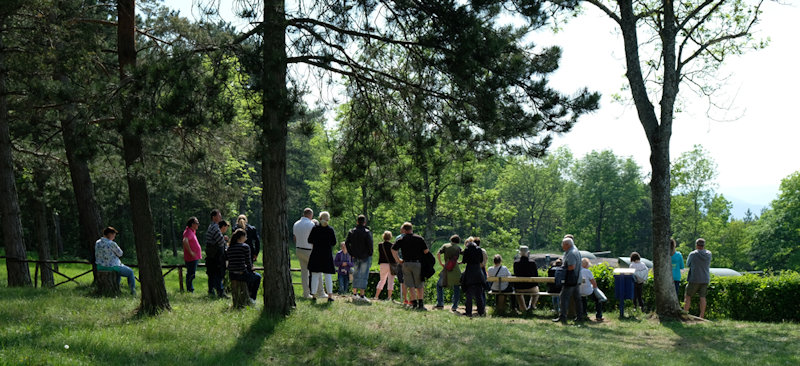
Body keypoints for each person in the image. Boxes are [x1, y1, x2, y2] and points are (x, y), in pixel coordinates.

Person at [391, 222, 430, 310]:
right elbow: (426, 251)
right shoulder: (419, 238)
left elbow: (393, 250)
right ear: (411, 229)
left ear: (404, 230)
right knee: (419, 284)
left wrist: (398, 260)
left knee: (410, 285)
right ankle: (421, 304)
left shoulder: (401, 239)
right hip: (417, 263)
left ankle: (414, 304)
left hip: (406, 263)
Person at [95, 227, 136, 295]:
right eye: (113, 235)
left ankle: (116, 289)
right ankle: (133, 291)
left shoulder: (97, 242)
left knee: (118, 272)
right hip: (111, 266)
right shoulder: (112, 243)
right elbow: (120, 254)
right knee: (130, 272)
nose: (114, 237)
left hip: (100, 266)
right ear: (109, 234)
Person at [307, 211, 337, 302]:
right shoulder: (330, 230)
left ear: (320, 218)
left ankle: (314, 295)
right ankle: (330, 295)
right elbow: (334, 242)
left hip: (316, 254)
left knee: (315, 275)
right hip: (327, 255)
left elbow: (309, 240)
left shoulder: (315, 229)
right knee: (328, 276)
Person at [227, 228, 261, 303]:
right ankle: (252, 298)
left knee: (251, 276)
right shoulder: (245, 247)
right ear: (242, 237)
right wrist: (252, 269)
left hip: (232, 275)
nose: (246, 238)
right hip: (241, 275)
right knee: (257, 277)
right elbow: (248, 263)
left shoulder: (230, 248)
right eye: (245, 236)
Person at [553, 236, 583, 323]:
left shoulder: (571, 253)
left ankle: (563, 317)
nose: (562, 246)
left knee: (563, 297)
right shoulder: (574, 250)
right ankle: (580, 317)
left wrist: (562, 269)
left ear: (567, 244)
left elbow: (571, 267)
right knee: (577, 299)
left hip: (571, 280)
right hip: (576, 279)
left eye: (563, 245)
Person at [345, 214, 374, 302]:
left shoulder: (352, 232)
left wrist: (351, 253)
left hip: (355, 256)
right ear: (364, 222)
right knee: (364, 275)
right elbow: (370, 245)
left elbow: (347, 243)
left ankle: (354, 293)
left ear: (357, 222)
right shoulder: (366, 232)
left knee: (356, 274)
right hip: (365, 256)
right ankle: (362, 295)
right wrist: (370, 254)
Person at [684, 238, 712, 318]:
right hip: (705, 279)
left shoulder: (693, 254)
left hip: (694, 278)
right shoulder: (709, 254)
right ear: (704, 245)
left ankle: (685, 313)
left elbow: (688, 264)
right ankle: (701, 316)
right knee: (702, 297)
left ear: (696, 245)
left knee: (688, 295)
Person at [459, 237, 486, 317]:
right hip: (478, 272)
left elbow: (464, 261)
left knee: (469, 294)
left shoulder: (467, 250)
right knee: (479, 294)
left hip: (470, 271)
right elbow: (481, 260)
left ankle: (468, 312)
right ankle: (481, 312)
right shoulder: (479, 249)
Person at [435, 235, 462, 311]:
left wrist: (441, 263)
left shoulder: (445, 245)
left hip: (447, 268)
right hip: (456, 269)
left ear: (451, 239)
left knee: (439, 285)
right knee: (456, 286)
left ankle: (440, 303)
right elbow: (464, 254)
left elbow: (438, 253)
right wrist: (460, 262)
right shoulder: (458, 247)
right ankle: (454, 306)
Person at [205, 209, 228, 298]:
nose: (220, 217)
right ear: (214, 217)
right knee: (218, 273)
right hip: (216, 256)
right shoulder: (215, 227)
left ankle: (211, 291)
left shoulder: (211, 226)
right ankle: (220, 292)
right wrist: (224, 240)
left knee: (211, 274)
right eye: (219, 215)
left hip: (211, 255)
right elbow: (220, 241)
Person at [293, 208, 316, 298]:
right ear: (310, 215)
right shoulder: (311, 224)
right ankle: (315, 292)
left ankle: (306, 293)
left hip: (298, 249)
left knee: (304, 273)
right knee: (314, 271)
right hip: (309, 249)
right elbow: (314, 239)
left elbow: (294, 238)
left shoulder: (296, 223)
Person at [513, 246, 539, 311]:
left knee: (518, 293)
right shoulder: (532, 263)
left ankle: (523, 308)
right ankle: (532, 305)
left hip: (519, 288)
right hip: (531, 287)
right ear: (528, 253)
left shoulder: (516, 263)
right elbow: (536, 275)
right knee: (536, 292)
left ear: (519, 253)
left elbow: (516, 274)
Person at [375, 231, 397, 301]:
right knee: (391, 281)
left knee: (382, 280)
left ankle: (376, 296)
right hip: (391, 265)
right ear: (390, 237)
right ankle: (389, 297)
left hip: (383, 264)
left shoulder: (380, 245)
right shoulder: (393, 245)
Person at [182, 217, 201, 293]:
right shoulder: (188, 232)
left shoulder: (192, 231)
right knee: (190, 274)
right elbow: (185, 241)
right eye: (197, 223)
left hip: (193, 257)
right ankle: (190, 289)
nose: (198, 225)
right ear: (192, 224)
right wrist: (191, 252)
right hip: (191, 258)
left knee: (191, 273)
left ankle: (190, 288)